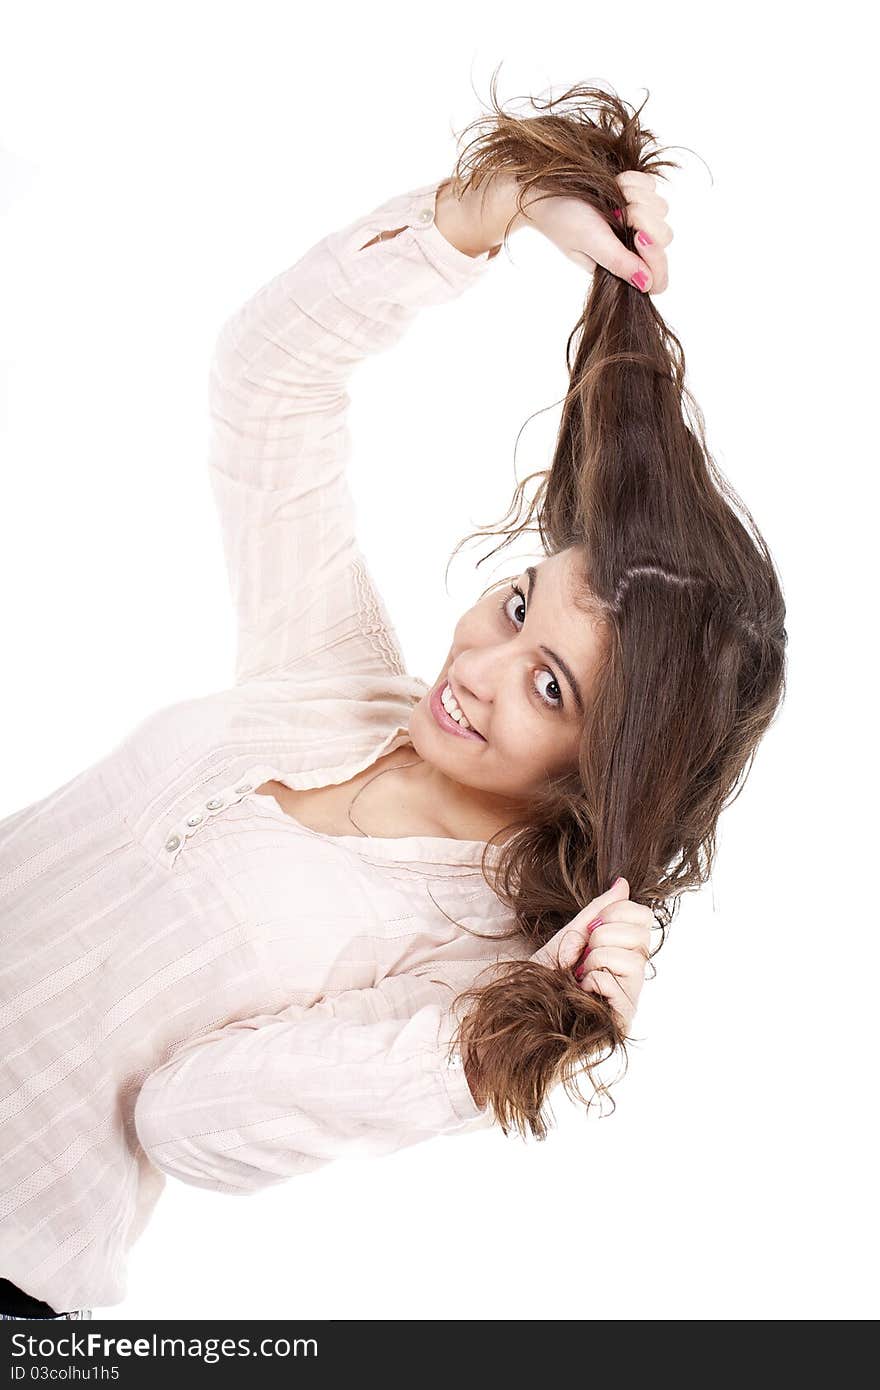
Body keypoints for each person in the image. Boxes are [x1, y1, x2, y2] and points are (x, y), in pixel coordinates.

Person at [0, 81, 785, 1319]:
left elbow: (195, 1124)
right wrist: (486, 212)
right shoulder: (337, 677)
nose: (476, 662)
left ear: (608, 766)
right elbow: (268, 392)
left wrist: (496, 1044)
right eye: (521, 603)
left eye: (546, 685)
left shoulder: (470, 957)